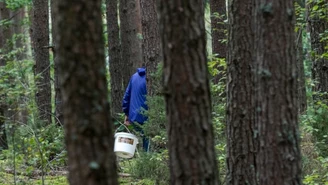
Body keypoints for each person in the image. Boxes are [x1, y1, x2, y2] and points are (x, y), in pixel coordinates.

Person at [122, 67, 149, 152]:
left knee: (135, 142)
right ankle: (146, 162)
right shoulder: (151, 78)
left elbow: (126, 96)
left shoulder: (134, 77)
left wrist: (126, 113)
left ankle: (133, 160)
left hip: (134, 116)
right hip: (148, 117)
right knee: (148, 143)